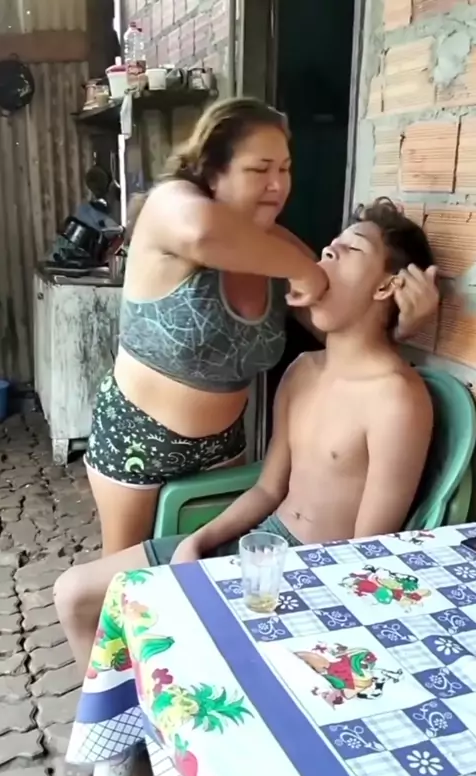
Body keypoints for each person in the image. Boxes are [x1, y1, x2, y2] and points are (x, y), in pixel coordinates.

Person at [40, 200, 436, 776]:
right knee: (76, 594)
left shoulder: (397, 399)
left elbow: (367, 555)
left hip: (308, 585)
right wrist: (197, 542)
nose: (326, 254)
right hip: (257, 548)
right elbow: (271, 487)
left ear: (388, 286)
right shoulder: (303, 370)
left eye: (351, 250)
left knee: (174, 681)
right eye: (330, 244)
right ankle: (120, 775)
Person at [83, 96, 437, 562]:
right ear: (213, 172)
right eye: (259, 169)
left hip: (223, 447)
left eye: (285, 169)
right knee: (126, 584)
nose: (278, 184)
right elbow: (202, 233)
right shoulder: (171, 205)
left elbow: (342, 324)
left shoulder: (277, 246)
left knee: (194, 574)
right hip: (139, 436)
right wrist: (306, 271)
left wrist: (403, 326)